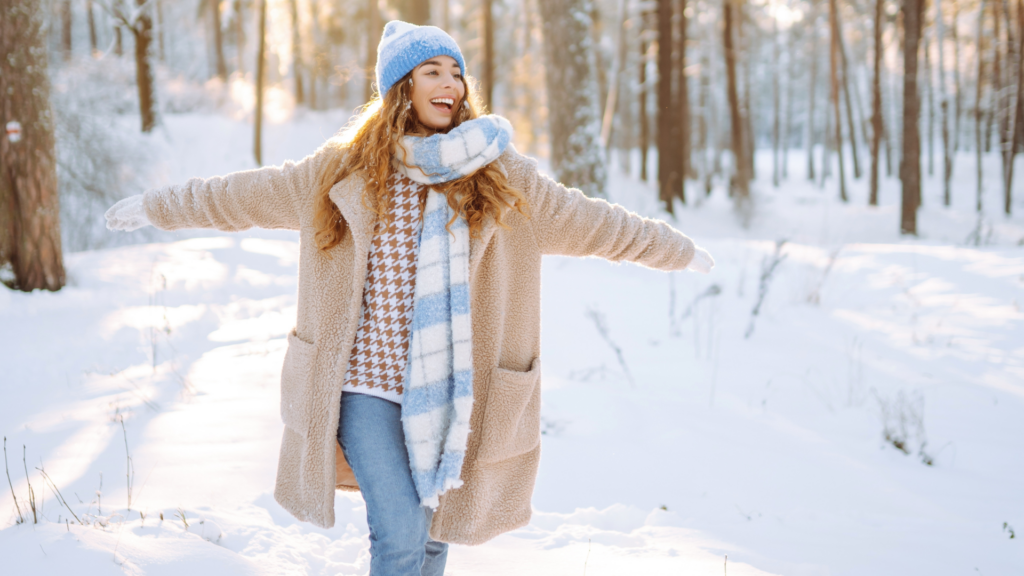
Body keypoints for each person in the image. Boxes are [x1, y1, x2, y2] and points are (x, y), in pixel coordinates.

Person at [105, 20, 714, 576]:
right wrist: (159, 206)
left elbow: (596, 223)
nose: (450, 83)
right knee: (400, 533)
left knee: (432, 539)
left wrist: (676, 249)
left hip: (452, 391)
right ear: (402, 88)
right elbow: (240, 196)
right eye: (432, 71)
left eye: (456, 73)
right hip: (364, 387)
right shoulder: (339, 172)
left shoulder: (502, 177)